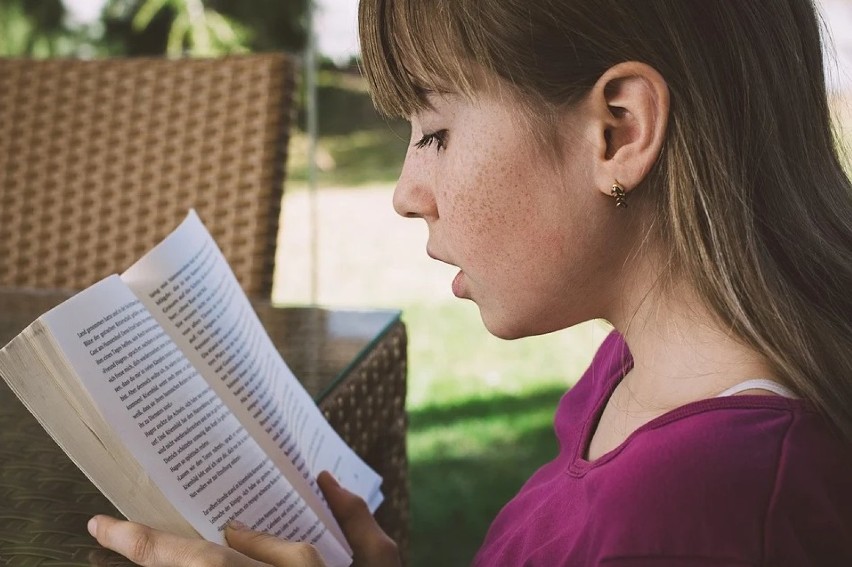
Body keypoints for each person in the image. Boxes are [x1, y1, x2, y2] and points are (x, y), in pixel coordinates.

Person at [87, 0, 852, 565]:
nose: (405, 191)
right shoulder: (632, 370)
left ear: (618, 131)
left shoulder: (698, 505)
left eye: (436, 134)